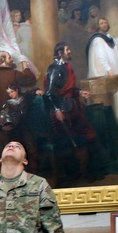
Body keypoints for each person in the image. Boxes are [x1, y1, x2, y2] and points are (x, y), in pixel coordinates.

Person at [43, 42, 100, 183]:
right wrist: (57, 110)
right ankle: (72, 174)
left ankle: (85, 171)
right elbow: (49, 93)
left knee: (88, 135)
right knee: (69, 142)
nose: (70, 51)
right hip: (62, 112)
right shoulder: (54, 69)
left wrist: (80, 92)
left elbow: (70, 89)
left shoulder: (66, 67)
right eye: (67, 49)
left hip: (73, 108)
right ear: (60, 52)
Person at [86, 17, 118, 122]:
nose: (104, 24)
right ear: (97, 26)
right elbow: (100, 57)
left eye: (105, 22)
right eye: (101, 23)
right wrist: (108, 69)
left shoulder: (107, 37)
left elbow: (117, 42)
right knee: (113, 96)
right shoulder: (97, 40)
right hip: (108, 73)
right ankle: (116, 120)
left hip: (116, 71)